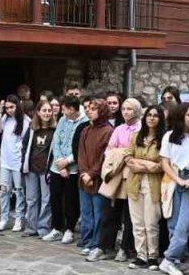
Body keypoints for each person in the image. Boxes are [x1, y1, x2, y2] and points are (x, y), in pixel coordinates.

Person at [158, 103, 189, 275]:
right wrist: (178, 180)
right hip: (173, 180)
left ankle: (168, 258)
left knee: (185, 223)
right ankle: (178, 258)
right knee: (173, 223)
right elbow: (164, 162)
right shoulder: (169, 137)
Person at [97, 98, 142, 261]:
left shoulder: (141, 129)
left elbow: (137, 151)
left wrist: (121, 153)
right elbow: (110, 149)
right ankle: (104, 246)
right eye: (123, 109)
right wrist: (121, 154)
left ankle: (125, 248)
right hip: (116, 173)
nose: (125, 112)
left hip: (132, 175)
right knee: (110, 211)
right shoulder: (119, 129)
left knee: (129, 215)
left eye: (129, 109)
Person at [126, 105, 165, 269]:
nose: (151, 118)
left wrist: (141, 164)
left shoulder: (164, 139)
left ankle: (153, 255)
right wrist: (146, 165)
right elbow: (128, 157)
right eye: (149, 115)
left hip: (153, 185)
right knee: (137, 222)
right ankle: (140, 255)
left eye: (155, 116)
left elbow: (161, 165)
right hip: (135, 183)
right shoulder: (136, 137)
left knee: (151, 222)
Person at [75, 98, 114, 259]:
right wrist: (84, 173)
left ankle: (96, 243)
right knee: (86, 212)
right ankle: (87, 241)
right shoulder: (86, 130)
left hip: (98, 179)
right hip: (84, 178)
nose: (89, 111)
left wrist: (92, 174)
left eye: (93, 108)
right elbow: (81, 154)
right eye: (88, 108)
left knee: (99, 213)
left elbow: (105, 157)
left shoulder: (109, 131)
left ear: (102, 111)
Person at [47, 95, 86, 244]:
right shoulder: (63, 120)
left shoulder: (84, 122)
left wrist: (67, 162)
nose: (61, 111)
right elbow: (56, 140)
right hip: (57, 166)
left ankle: (69, 229)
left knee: (71, 200)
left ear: (71, 109)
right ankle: (56, 228)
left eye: (64, 109)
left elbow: (79, 147)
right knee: (55, 197)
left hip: (73, 168)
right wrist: (59, 162)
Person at [0, 95, 28, 232]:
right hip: (5, 160)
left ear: (17, 106)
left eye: (11, 107)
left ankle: (19, 218)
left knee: (19, 191)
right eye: (7, 107)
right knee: (3, 191)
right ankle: (4, 218)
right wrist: (0, 112)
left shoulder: (25, 121)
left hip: (17, 161)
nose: (9, 110)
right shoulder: (5, 118)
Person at [23, 99, 56, 238]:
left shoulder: (54, 130)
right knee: (31, 199)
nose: (47, 113)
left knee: (46, 199)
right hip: (31, 168)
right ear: (38, 112)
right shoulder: (32, 129)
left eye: (49, 110)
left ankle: (43, 228)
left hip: (45, 169)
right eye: (44, 110)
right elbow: (25, 146)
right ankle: (31, 227)